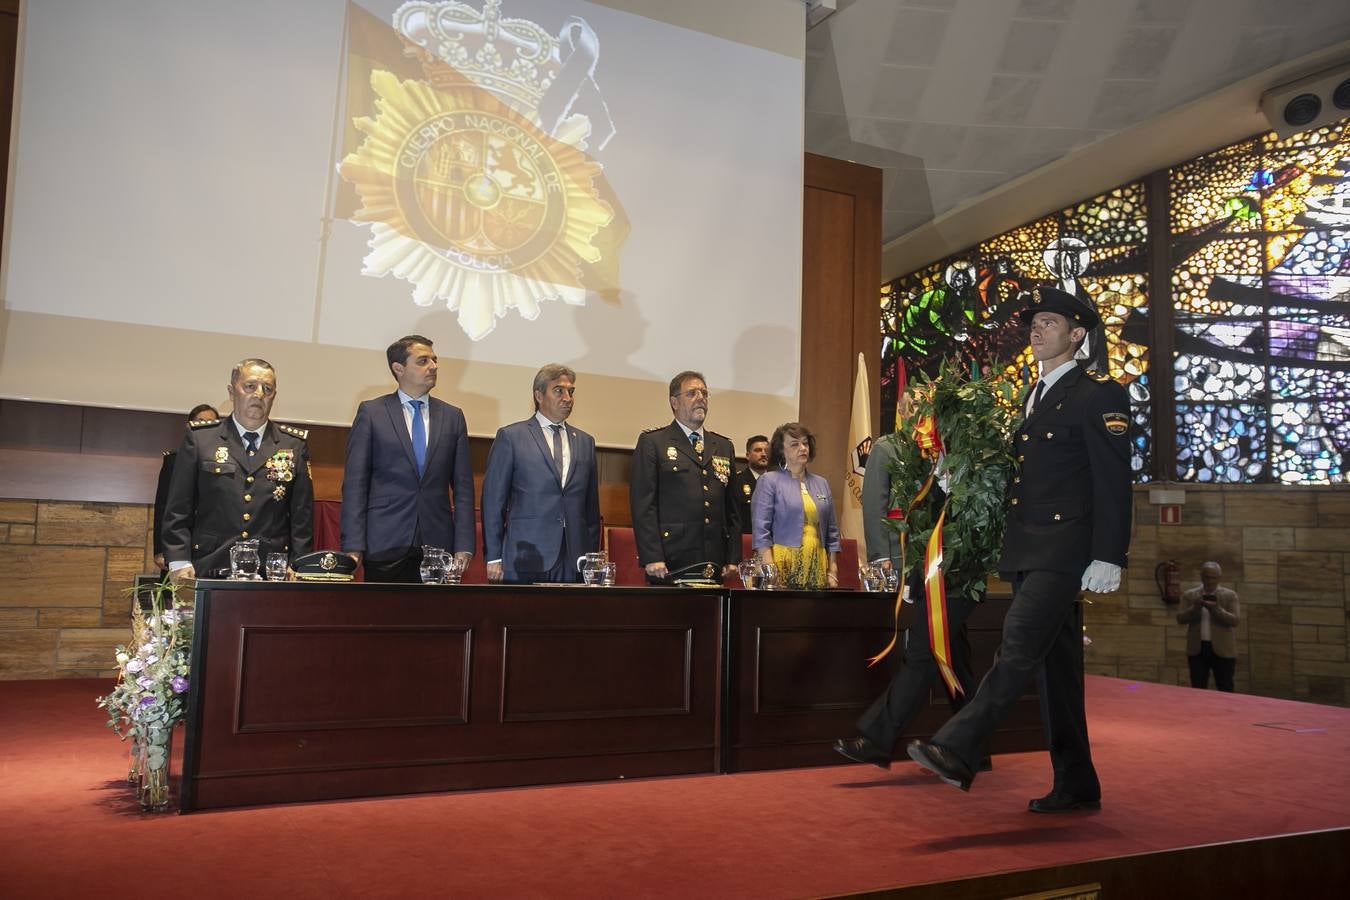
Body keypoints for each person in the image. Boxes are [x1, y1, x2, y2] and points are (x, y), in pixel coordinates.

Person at [907, 286, 1132, 814]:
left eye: (1049, 323)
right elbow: (1015, 474)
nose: (1037, 330)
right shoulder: (1033, 394)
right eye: (1035, 323)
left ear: (1077, 335)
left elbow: (1114, 479)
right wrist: (956, 471)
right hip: (1028, 546)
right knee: (1056, 671)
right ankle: (1077, 783)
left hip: (1066, 547)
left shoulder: (1099, 393)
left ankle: (958, 746)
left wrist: (1109, 554)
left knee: (1017, 644)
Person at [835, 409, 982, 770]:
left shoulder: (970, 455)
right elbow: (885, 507)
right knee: (954, 656)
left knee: (924, 649)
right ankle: (975, 747)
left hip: (961, 568)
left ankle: (877, 739)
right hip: (930, 569)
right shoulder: (902, 451)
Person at [162, 360, 313, 580]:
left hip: (271, 571)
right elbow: (178, 508)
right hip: (208, 565)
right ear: (232, 392)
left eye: (267, 389)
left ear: (274, 396)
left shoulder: (293, 445)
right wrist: (179, 561)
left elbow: (302, 516)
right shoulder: (201, 439)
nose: (259, 394)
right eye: (250, 386)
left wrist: (298, 564)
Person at [341, 335, 475, 583]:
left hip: (437, 545)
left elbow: (463, 488)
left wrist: (464, 545)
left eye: (434, 360)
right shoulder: (372, 412)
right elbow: (355, 485)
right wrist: (353, 545)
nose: (433, 367)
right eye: (423, 361)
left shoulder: (452, 416)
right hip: (384, 543)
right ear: (398, 368)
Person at [480, 365, 601, 583]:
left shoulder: (585, 442)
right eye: (558, 391)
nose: (567, 398)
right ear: (538, 395)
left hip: (574, 557)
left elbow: (591, 510)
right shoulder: (511, 437)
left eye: (571, 392)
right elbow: (493, 503)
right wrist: (494, 557)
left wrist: (591, 559)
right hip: (525, 555)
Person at [629, 371, 741, 583]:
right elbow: (643, 505)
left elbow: (732, 509)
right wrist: (652, 556)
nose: (700, 398)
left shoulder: (723, 446)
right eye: (691, 393)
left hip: (714, 558)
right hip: (670, 559)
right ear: (674, 402)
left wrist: (733, 556)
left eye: (704, 393)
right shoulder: (653, 442)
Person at [749, 422, 840, 590]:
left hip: (816, 562)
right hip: (780, 563)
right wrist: (769, 568)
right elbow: (761, 530)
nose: (803, 448)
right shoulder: (769, 481)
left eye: (805, 443)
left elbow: (832, 533)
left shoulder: (822, 483)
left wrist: (832, 570)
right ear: (781, 451)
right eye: (795, 444)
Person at [152, 403, 219, 571]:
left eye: (211, 422)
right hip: (181, 543)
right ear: (189, 426)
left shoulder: (226, 461)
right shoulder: (175, 460)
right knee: (178, 595)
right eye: (200, 422)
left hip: (211, 546)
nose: (205, 426)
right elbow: (164, 506)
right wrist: (160, 549)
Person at [1176, 561, 1240, 692]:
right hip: (1197, 648)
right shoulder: (1190, 595)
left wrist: (1216, 609)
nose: (1210, 581)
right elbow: (1180, 619)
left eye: (1213, 578)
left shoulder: (1230, 595)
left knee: (1225, 687)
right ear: (1201, 576)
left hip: (1223, 648)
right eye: (1207, 577)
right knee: (1198, 687)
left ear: (1219, 578)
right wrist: (1195, 608)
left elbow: (1235, 621)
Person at [732, 435, 770, 535]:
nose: (763, 454)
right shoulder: (737, 481)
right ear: (748, 455)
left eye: (766, 450)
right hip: (747, 541)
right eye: (758, 450)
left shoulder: (777, 483)